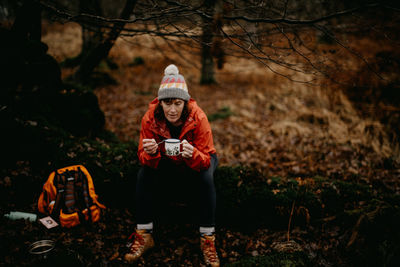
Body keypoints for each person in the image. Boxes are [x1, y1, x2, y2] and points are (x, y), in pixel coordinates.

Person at [124, 64, 220, 266]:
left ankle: (207, 239)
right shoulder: (150, 118)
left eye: (178, 103)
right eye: (167, 103)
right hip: (167, 160)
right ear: (160, 103)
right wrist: (150, 154)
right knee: (144, 174)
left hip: (198, 160)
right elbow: (142, 156)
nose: (173, 110)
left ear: (185, 102)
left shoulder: (198, 117)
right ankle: (144, 233)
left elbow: (206, 158)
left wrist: (192, 154)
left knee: (206, 177)